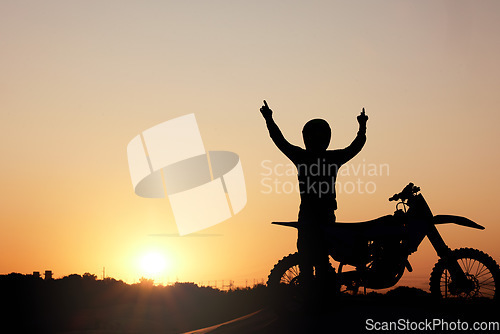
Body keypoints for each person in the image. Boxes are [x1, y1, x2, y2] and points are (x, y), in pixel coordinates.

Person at [260, 100, 368, 301]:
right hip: (320, 215)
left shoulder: (302, 157)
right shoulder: (330, 158)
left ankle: (312, 297)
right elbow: (356, 147)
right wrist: (362, 126)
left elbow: (279, 140)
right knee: (317, 259)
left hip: (311, 215)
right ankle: (315, 298)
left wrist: (269, 119)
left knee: (311, 258)